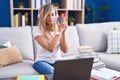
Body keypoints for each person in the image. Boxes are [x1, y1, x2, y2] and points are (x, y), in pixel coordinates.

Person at [33, 4, 68, 75]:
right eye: (47, 15)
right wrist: (60, 31)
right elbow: (50, 48)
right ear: (42, 16)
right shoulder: (37, 30)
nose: (50, 17)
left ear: (56, 16)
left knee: (70, 73)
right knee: (54, 73)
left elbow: (65, 50)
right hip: (42, 61)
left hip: (58, 61)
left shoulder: (58, 28)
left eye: (52, 14)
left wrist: (63, 33)